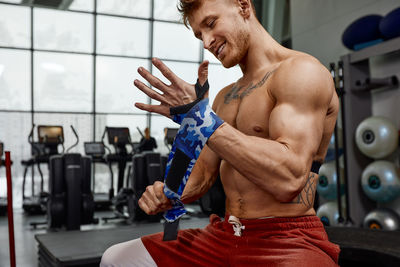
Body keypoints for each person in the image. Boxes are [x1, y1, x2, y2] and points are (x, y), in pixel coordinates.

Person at [101, 0, 340, 266]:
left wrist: (201, 119)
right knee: (117, 258)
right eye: (199, 34)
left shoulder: (301, 72)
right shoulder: (224, 98)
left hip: (288, 238)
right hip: (225, 234)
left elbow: (289, 178)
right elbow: (203, 172)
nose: (206, 42)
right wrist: (170, 192)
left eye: (211, 24)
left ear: (244, 6)